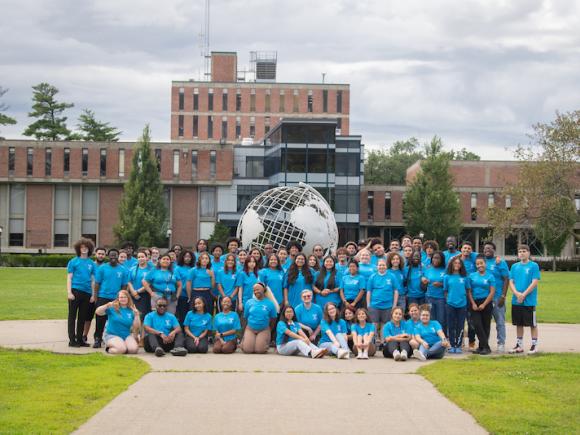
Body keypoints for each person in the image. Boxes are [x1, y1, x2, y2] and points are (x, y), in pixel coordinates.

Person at [508, 245, 541, 355]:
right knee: (519, 323)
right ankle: (519, 345)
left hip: (529, 300)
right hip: (516, 300)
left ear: (528, 253)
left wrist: (524, 294)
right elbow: (511, 282)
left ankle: (534, 345)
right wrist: (517, 294)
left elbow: (534, 282)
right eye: (520, 251)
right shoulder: (514, 266)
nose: (522, 253)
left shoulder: (533, 266)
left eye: (524, 251)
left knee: (532, 324)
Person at [93, 248, 128, 348]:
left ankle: (115, 339)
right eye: (111, 255)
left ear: (118, 256)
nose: (113, 257)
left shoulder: (123, 270)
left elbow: (124, 285)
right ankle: (97, 339)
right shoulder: (102, 268)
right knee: (100, 319)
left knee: (115, 319)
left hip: (116, 299)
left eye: (115, 255)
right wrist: (95, 297)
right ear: (108, 256)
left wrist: (122, 297)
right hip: (103, 297)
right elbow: (97, 283)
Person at [66, 238, 96, 347]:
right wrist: (69, 292)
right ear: (79, 249)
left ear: (89, 249)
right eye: (82, 247)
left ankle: (80, 339)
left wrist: (93, 294)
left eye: (86, 247)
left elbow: (93, 280)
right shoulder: (73, 261)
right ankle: (72, 340)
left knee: (82, 317)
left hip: (87, 293)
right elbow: (69, 278)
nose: (84, 249)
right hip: (75, 291)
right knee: (72, 316)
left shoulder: (91, 264)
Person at [95, 289, 140, 354]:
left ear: (128, 298)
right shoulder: (112, 308)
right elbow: (98, 312)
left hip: (126, 335)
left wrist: (136, 315)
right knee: (121, 350)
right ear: (118, 298)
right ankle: (108, 348)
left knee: (133, 350)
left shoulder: (132, 310)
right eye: (121, 297)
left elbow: (136, 327)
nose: (123, 299)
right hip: (112, 335)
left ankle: (122, 345)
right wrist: (106, 305)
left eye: (125, 297)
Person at [483, 242, 510, 352]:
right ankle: (485, 344)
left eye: (489, 248)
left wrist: (503, 296)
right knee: (485, 322)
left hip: (497, 297)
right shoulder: (481, 261)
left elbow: (506, 279)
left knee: (500, 322)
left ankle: (501, 343)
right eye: (485, 249)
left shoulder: (500, 262)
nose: (487, 250)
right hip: (484, 298)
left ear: (494, 250)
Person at [366, 259, 399, 346]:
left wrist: (394, 305)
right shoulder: (372, 277)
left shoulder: (392, 276)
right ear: (377, 266)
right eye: (380, 265)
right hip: (374, 304)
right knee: (374, 323)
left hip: (388, 304)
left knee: (385, 323)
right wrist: (368, 304)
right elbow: (369, 291)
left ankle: (383, 341)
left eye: (383, 265)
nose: (381, 267)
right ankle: (375, 340)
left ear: (386, 266)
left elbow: (396, 291)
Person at [467, 255, 495, 355]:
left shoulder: (490, 276)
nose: (479, 265)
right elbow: (469, 291)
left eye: (481, 263)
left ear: (485, 264)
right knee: (477, 324)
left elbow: (492, 292)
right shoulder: (472, 276)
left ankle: (481, 347)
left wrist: (484, 304)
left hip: (486, 302)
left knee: (485, 326)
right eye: (477, 264)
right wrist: (473, 303)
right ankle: (486, 347)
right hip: (474, 302)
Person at [241, 283, 277, 354]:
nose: (255, 292)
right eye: (254, 290)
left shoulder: (270, 303)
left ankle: (263, 342)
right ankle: (245, 342)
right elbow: (245, 317)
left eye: (258, 289)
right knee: (248, 350)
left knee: (260, 350)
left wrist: (269, 329)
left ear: (263, 290)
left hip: (263, 329)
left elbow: (273, 319)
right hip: (250, 329)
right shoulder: (249, 302)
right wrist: (244, 332)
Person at [444, 257, 469, 354]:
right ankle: (451, 345)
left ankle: (458, 345)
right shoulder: (447, 277)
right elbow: (445, 291)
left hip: (462, 304)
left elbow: (467, 290)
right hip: (450, 304)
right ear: (451, 264)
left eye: (459, 263)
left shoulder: (464, 277)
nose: (457, 265)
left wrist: (463, 298)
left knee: (460, 325)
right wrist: (448, 300)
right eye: (455, 263)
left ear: (461, 265)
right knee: (450, 325)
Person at [82, 246, 106, 344]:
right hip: (91, 295)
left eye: (102, 254)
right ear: (95, 254)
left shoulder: (106, 267)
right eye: (99, 253)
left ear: (105, 255)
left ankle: (100, 337)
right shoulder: (91, 265)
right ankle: (84, 335)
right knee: (88, 317)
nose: (100, 255)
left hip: (102, 296)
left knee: (102, 318)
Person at [422, 251, 447, 330]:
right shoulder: (428, 269)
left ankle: (442, 338)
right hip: (429, 297)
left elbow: (450, 284)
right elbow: (423, 283)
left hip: (441, 298)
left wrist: (441, 284)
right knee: (431, 319)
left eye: (438, 258)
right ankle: (433, 337)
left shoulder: (445, 270)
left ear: (442, 260)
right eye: (434, 258)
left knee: (441, 319)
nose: (435, 260)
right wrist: (424, 281)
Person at [127, 248, 154, 321]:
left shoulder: (151, 269)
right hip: (133, 295)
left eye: (142, 257)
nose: (140, 259)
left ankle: (142, 332)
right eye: (139, 257)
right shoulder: (132, 269)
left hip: (144, 296)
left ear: (146, 258)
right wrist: (133, 292)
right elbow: (129, 282)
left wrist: (138, 291)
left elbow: (149, 283)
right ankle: (134, 332)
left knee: (142, 317)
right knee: (133, 316)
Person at [174, 250, 195, 325]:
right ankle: (182, 333)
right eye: (185, 256)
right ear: (182, 257)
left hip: (193, 295)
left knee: (192, 315)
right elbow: (177, 283)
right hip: (182, 295)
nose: (187, 258)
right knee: (183, 315)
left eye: (189, 257)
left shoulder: (194, 268)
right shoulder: (178, 268)